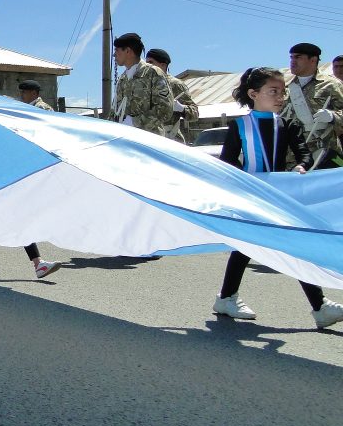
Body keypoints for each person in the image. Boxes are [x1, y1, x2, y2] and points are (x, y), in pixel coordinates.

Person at [212, 67, 343, 328]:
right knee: (252, 247)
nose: (281, 96)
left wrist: (301, 166)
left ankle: (319, 307)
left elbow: (303, 153)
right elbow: (227, 162)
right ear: (253, 94)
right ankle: (318, 307)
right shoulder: (239, 125)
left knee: (288, 245)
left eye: (282, 91)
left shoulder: (286, 124)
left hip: (279, 195)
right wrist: (245, 181)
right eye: (274, 91)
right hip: (250, 194)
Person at [0, 80, 61, 279]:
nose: (21, 96)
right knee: (9, 214)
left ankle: (34, 264)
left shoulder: (39, 110)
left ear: (32, 92)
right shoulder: (22, 109)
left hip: (23, 169)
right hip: (14, 170)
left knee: (15, 215)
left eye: (24, 93)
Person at [282, 43, 343, 169]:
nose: (292, 61)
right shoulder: (286, 87)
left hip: (323, 153)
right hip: (293, 156)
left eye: (298, 57)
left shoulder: (332, 85)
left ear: (313, 60)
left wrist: (333, 116)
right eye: (291, 57)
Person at [112, 32, 174, 136]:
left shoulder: (153, 73)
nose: (114, 54)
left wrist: (134, 122)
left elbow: (165, 109)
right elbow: (115, 111)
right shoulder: (122, 79)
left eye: (117, 50)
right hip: (125, 140)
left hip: (149, 141)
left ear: (128, 51)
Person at [144, 48, 200, 143]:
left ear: (163, 65)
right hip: (149, 138)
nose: (147, 66)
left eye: (151, 62)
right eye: (146, 63)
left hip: (170, 139)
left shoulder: (175, 84)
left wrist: (181, 108)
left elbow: (194, 114)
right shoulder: (144, 84)